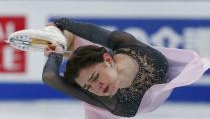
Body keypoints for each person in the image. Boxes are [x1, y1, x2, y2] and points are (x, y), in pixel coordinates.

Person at [42, 18, 210, 119]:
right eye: (88, 87)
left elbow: (93, 32)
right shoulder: (109, 100)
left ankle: (64, 42)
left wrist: (60, 23)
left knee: (84, 51)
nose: (96, 88)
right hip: (110, 108)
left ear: (108, 59)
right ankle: (62, 45)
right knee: (83, 59)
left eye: (94, 78)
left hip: (117, 63)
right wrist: (55, 54)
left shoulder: (130, 46)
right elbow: (49, 76)